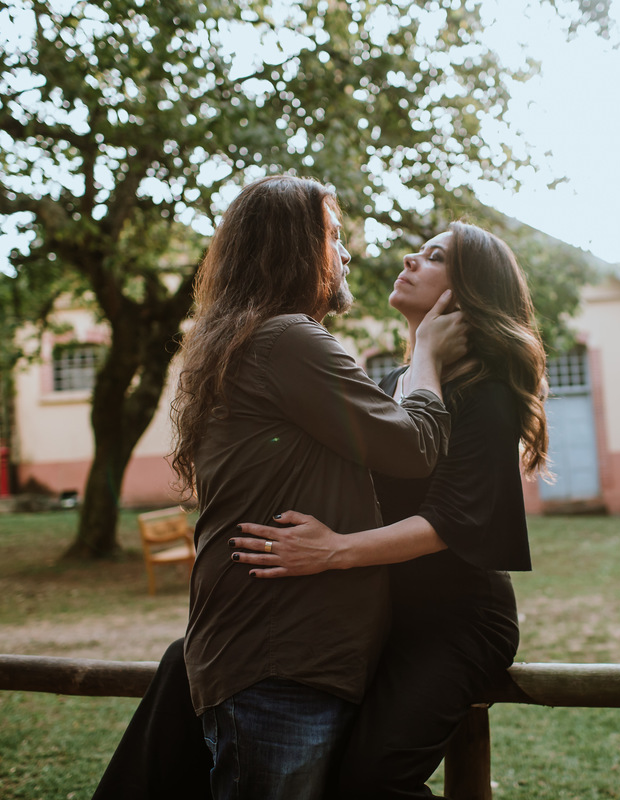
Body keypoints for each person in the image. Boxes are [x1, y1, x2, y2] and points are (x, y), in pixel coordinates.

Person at [93, 174, 466, 800]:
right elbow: (413, 447)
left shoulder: (248, 339)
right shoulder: (287, 338)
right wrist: (425, 349)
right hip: (282, 659)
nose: (346, 253)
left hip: (280, 654)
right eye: (332, 236)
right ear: (292, 248)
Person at [230, 220, 548, 799]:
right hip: (378, 618)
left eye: (433, 257)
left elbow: (451, 519)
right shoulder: (394, 383)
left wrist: (333, 551)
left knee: (371, 782)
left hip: (454, 623)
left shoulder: (487, 390)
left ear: (467, 292)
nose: (408, 259)